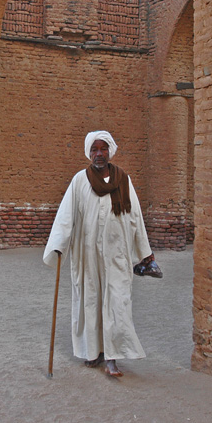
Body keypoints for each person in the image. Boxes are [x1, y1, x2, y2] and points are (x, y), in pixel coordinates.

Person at [43, 130, 161, 377]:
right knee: (91, 303)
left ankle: (112, 358)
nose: (99, 154)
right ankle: (93, 352)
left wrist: (145, 255)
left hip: (117, 257)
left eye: (103, 149)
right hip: (88, 258)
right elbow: (66, 217)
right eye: (95, 149)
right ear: (89, 152)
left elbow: (136, 219)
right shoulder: (79, 181)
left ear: (110, 151)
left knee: (117, 305)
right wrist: (58, 243)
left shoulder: (123, 180)